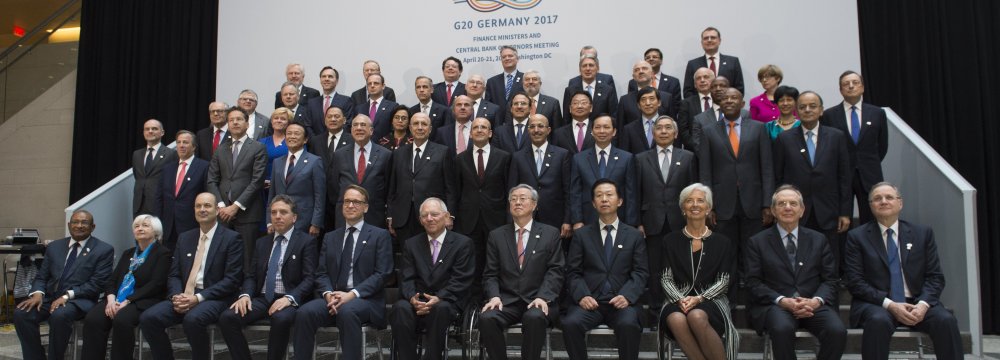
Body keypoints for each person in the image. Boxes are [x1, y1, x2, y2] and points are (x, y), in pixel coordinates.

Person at [844, 182, 963, 360]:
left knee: (946, 321)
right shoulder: (857, 237)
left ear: (900, 203)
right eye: (877, 199)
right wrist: (890, 304)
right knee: (878, 321)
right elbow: (855, 282)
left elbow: (935, 277)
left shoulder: (922, 233)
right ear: (870, 206)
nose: (883, 201)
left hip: (917, 302)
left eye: (889, 197)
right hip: (878, 303)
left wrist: (922, 305)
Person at [744, 186, 846, 360]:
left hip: (812, 304)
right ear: (774, 211)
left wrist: (815, 301)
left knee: (837, 331)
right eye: (781, 203)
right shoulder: (757, 242)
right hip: (776, 305)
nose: (788, 207)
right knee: (782, 329)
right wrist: (783, 301)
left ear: (802, 210)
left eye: (793, 203)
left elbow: (830, 279)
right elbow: (753, 282)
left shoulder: (818, 239)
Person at [293, 185, 394, 360]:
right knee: (304, 313)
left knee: (347, 311)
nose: (350, 205)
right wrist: (328, 295)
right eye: (347, 201)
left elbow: (382, 274)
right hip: (333, 298)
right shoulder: (331, 237)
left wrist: (351, 295)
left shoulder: (380, 235)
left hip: (365, 300)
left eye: (356, 202)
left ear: (366, 207)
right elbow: (321, 273)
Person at [139, 192, 244, 360]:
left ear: (217, 210)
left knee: (192, 320)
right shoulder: (185, 237)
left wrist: (197, 298)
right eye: (198, 206)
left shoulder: (232, 239)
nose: (202, 209)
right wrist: (176, 296)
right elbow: (174, 274)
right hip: (183, 296)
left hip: (213, 298)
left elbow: (232, 280)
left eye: (207, 206)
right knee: (148, 318)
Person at [697, 87, 774, 297]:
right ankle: (726, 304)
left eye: (734, 98)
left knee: (754, 256)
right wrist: (708, 206)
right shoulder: (709, 131)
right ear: (719, 104)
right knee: (725, 256)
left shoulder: (759, 129)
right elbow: (705, 171)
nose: (729, 101)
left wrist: (768, 203)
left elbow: (767, 167)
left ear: (742, 103)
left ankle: (755, 304)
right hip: (722, 205)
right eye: (725, 98)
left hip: (754, 203)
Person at [219, 195, 317, 360]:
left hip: (288, 299)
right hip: (263, 298)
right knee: (228, 318)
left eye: (283, 212)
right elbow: (251, 276)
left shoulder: (306, 242)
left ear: (294, 217)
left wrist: (290, 298)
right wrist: (245, 295)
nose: (277, 216)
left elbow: (310, 279)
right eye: (274, 212)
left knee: (280, 319)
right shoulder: (262, 243)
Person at [562, 179, 648, 360]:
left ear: (620, 201)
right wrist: (583, 295)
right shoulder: (582, 235)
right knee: (570, 323)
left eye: (609, 195)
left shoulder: (633, 235)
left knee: (628, 325)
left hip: (622, 303)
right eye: (599, 196)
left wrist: (627, 296)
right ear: (593, 203)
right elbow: (573, 272)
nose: (604, 199)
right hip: (591, 302)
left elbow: (640, 272)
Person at [14, 210, 115, 360]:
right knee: (21, 313)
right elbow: (42, 276)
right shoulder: (55, 246)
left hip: (80, 300)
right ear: (69, 225)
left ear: (93, 227)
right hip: (50, 298)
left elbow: (97, 284)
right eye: (75, 222)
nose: (79, 225)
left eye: (84, 222)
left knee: (59, 315)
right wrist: (37, 293)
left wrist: (68, 295)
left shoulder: (103, 250)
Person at [479, 184, 564, 360]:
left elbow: (556, 270)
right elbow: (490, 273)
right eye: (513, 199)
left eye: (523, 198)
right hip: (506, 301)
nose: (517, 202)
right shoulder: (497, 235)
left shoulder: (550, 233)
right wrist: (494, 296)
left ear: (534, 205)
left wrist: (543, 296)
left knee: (534, 318)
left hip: (537, 299)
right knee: (487, 318)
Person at [660, 183, 739, 360]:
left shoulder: (723, 242)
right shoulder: (669, 240)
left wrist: (699, 298)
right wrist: (680, 299)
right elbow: (666, 278)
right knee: (676, 319)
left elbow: (724, 281)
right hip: (678, 297)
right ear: (683, 208)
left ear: (708, 208)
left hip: (713, 300)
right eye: (689, 201)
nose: (695, 205)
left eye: (700, 201)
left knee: (696, 316)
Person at [390, 198, 475, 360]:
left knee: (440, 308)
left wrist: (439, 297)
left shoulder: (463, 244)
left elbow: (461, 279)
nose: (429, 218)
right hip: (417, 301)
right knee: (400, 308)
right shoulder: (411, 244)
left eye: (434, 214)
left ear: (447, 216)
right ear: (420, 220)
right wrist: (412, 298)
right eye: (425, 215)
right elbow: (406, 278)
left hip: (448, 301)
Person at [774, 91, 852, 265]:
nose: (807, 110)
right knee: (800, 257)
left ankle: (830, 288)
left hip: (829, 209)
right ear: (797, 111)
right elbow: (778, 177)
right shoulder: (784, 139)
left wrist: (845, 212)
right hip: (796, 211)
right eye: (802, 107)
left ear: (821, 110)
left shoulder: (836, 136)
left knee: (829, 257)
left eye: (812, 106)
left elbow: (844, 177)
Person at [81, 214, 171, 360]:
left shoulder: (163, 253)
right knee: (93, 318)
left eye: (145, 225)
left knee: (122, 319)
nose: (140, 228)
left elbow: (156, 284)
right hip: (116, 299)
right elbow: (112, 280)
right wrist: (110, 300)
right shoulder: (128, 253)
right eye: (137, 226)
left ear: (156, 231)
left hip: (142, 299)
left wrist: (127, 301)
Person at [635, 116, 698, 310]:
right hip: (652, 221)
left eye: (668, 128)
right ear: (653, 133)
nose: (663, 131)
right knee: (655, 270)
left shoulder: (687, 157)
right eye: (659, 128)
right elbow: (636, 192)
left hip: (680, 222)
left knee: (681, 267)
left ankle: (680, 307)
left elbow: (693, 191)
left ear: (676, 133)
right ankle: (656, 312)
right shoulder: (641, 158)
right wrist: (637, 221)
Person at [820, 70, 888, 225]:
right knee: (842, 222)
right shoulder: (829, 115)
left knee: (872, 220)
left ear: (863, 87)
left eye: (855, 83)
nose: (851, 86)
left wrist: (867, 162)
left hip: (870, 174)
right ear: (840, 90)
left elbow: (882, 146)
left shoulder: (877, 113)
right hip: (840, 176)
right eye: (846, 84)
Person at [455, 117, 511, 297]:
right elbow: (456, 191)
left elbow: (508, 188)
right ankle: (474, 301)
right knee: (473, 262)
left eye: (484, 127)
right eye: (476, 127)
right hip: (468, 220)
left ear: (490, 133)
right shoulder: (460, 159)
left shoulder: (503, 157)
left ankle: (494, 297)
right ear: (470, 134)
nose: (479, 130)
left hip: (496, 219)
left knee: (496, 260)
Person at [207, 107, 268, 270]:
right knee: (222, 257)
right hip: (222, 213)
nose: (235, 122)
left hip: (247, 213)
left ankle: (246, 293)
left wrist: (235, 207)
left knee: (248, 259)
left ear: (247, 124)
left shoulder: (258, 148)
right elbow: (211, 180)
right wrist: (221, 206)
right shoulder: (220, 149)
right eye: (231, 120)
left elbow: (257, 181)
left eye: (239, 119)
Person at [388, 112, 458, 245]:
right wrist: (390, 215)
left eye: (424, 124)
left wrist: (450, 215)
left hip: (432, 216)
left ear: (430, 129)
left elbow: (450, 187)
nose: (420, 127)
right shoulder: (398, 153)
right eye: (416, 124)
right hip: (403, 217)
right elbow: (392, 187)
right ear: (410, 128)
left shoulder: (442, 152)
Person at [508, 114, 572, 239]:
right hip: (524, 218)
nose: (536, 130)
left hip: (555, 217)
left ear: (548, 130)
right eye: (532, 126)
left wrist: (568, 220)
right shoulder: (518, 157)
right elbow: (512, 191)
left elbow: (568, 190)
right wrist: (511, 219)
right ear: (528, 130)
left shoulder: (562, 155)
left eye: (540, 126)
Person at [570, 114, 638, 227]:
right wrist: (577, 220)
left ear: (614, 131)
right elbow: (575, 192)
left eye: (606, 127)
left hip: (619, 220)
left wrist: (631, 224)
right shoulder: (579, 158)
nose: (602, 131)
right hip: (588, 220)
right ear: (591, 131)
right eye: (597, 127)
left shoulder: (626, 158)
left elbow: (630, 194)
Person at [332, 114, 392, 228]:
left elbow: (389, 188)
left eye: (363, 125)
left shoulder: (385, 155)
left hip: (374, 215)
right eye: (355, 125)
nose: (359, 128)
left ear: (371, 130)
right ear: (351, 130)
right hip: (345, 215)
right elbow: (334, 188)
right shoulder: (339, 154)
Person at [268, 123, 325, 236]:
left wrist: (316, 223)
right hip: (279, 220)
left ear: (305, 140)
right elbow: (272, 194)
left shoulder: (315, 161)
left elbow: (320, 195)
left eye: (296, 133)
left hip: (304, 221)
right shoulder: (277, 162)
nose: (292, 136)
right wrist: (269, 221)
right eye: (289, 133)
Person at [158, 130, 209, 249]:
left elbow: (207, 194)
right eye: (178, 142)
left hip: (191, 226)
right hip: (168, 227)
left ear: (194, 146)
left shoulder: (204, 166)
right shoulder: (167, 169)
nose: (181, 145)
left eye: (185, 142)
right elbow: (159, 198)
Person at [306, 105, 352, 231]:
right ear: (325, 120)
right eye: (329, 116)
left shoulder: (352, 140)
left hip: (342, 197)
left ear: (344, 120)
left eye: (337, 116)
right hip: (321, 199)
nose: (333, 119)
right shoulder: (315, 141)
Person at [133, 118, 177, 217]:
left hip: (159, 204)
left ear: (162, 132)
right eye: (147, 129)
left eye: (154, 129)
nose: (150, 131)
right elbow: (138, 176)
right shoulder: (136, 154)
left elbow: (172, 180)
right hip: (139, 205)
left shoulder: (171, 154)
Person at [683, 27, 745, 98]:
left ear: (719, 41)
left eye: (713, 37)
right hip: (702, 107)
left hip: (726, 106)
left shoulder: (733, 62)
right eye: (706, 38)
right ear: (702, 42)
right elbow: (688, 92)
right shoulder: (693, 64)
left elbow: (739, 89)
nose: (709, 40)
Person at [617, 61, 679, 128]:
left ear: (652, 74)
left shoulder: (666, 97)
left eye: (644, 68)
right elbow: (620, 128)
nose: (641, 71)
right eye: (636, 70)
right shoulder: (625, 100)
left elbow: (673, 126)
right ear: (634, 77)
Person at [562, 54, 618, 119]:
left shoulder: (608, 90)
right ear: (580, 70)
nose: (588, 69)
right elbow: (566, 117)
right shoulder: (570, 90)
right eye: (584, 66)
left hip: (600, 128)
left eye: (591, 65)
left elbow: (614, 116)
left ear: (597, 68)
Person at [619, 87, 669, 155]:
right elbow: (625, 156)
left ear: (659, 102)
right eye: (643, 100)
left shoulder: (669, 127)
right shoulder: (629, 129)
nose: (648, 103)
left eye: (651, 99)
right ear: (638, 105)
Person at [305, 66, 355, 136]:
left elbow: (348, 124)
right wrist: (315, 141)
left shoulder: (346, 101)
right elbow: (308, 126)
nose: (326, 79)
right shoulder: (311, 103)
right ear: (320, 80)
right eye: (324, 76)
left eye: (330, 76)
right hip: (316, 144)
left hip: (338, 144)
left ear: (337, 81)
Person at [677, 67, 715, 150]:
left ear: (713, 82)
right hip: (694, 151)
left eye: (706, 77)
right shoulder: (686, 103)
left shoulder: (720, 101)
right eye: (698, 78)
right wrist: (697, 147)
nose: (702, 80)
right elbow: (683, 130)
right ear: (695, 84)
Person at [359, 73, 400, 142]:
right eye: (369, 84)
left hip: (385, 148)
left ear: (383, 86)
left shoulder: (393, 106)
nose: (372, 86)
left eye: (376, 83)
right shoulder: (359, 108)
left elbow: (394, 130)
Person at [485, 45, 524, 112]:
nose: (507, 58)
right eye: (504, 57)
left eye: (510, 56)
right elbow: (488, 105)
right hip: (497, 121)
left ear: (517, 59)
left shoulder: (525, 78)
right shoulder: (492, 82)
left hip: (519, 120)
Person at [261, 108, 291, 189]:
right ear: (271, 121)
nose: (279, 120)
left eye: (283, 119)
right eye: (276, 118)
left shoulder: (294, 142)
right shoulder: (261, 142)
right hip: (263, 187)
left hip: (286, 186)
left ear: (289, 122)